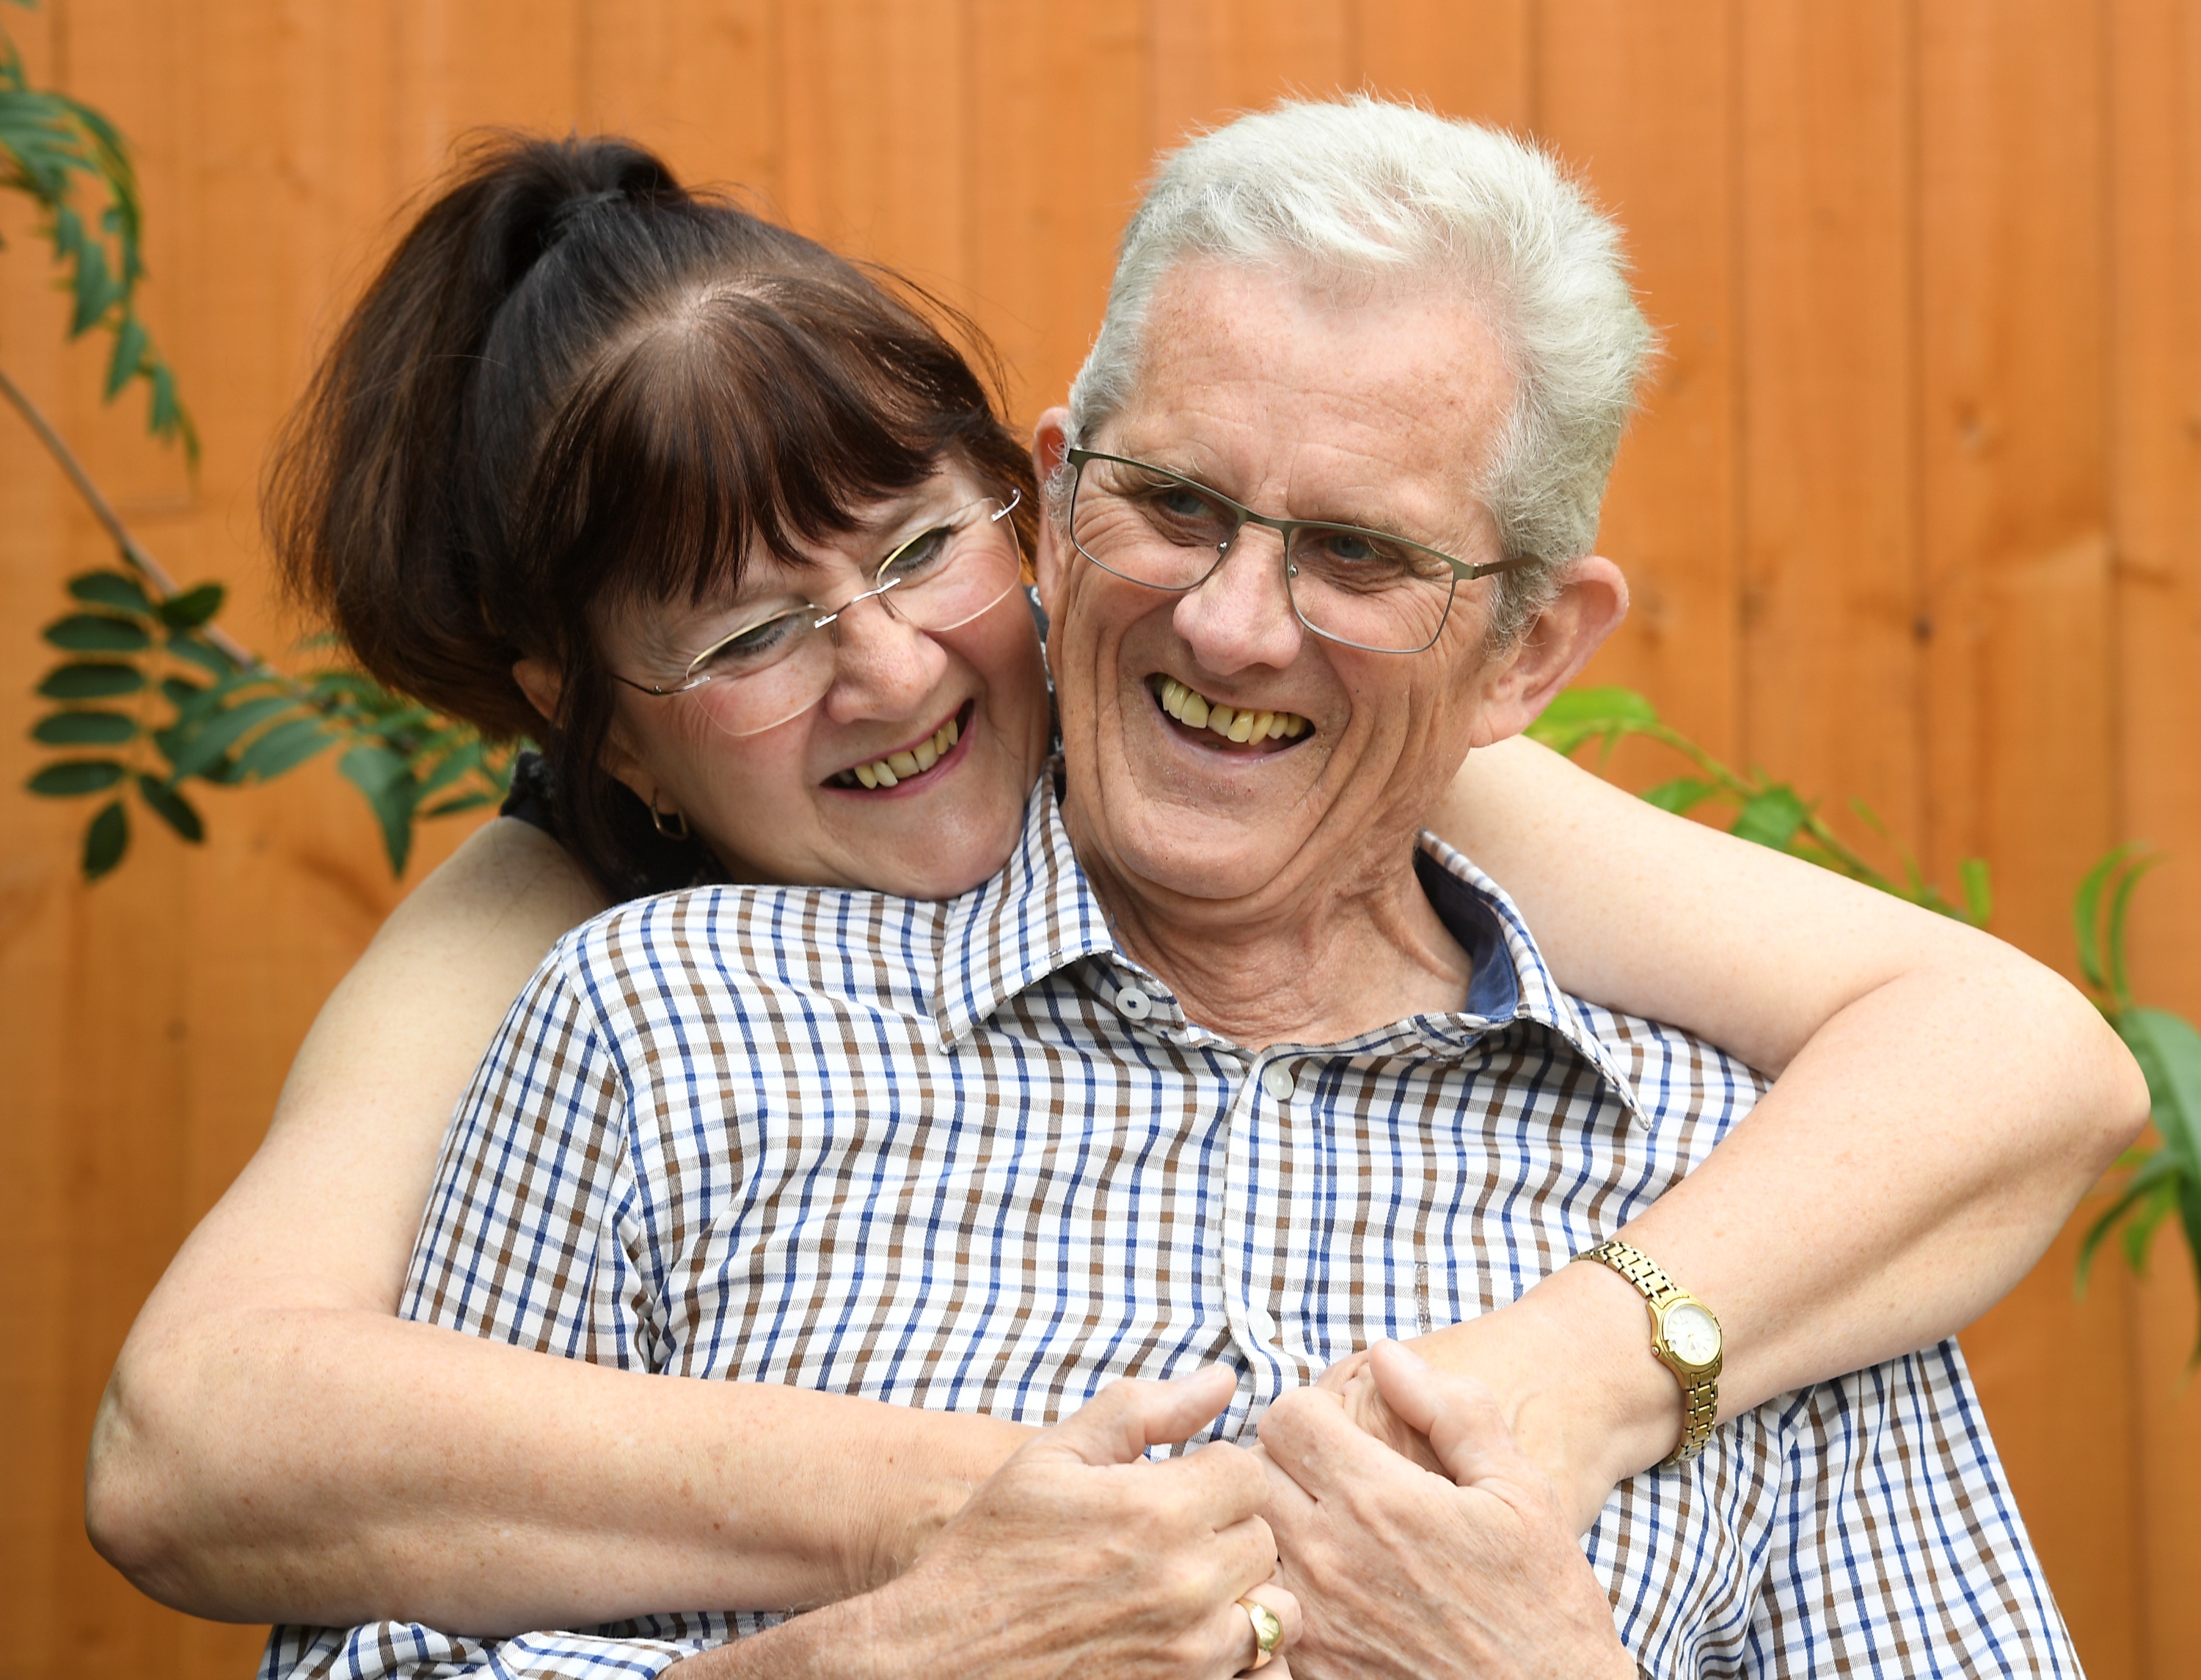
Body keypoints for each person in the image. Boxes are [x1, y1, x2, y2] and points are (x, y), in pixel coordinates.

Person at [239, 101, 2119, 1679]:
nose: (1232, 624)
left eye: (1360, 553)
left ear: (1532, 650)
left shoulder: (1757, 1200)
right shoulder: (657, 1026)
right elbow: (223, 1478)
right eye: (1182, 504)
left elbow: (2026, 1053)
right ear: (1063, 501)